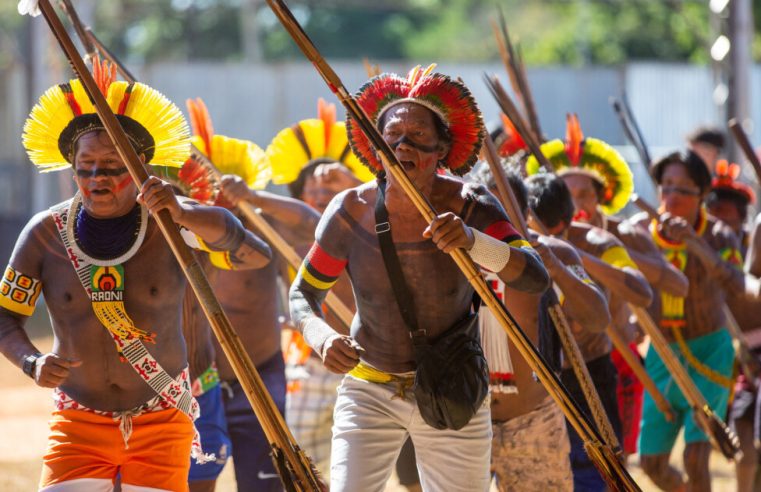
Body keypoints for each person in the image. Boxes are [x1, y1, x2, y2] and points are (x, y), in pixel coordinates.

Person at [0, 67, 271, 491]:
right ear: (72, 171)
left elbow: (255, 254)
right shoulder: (45, 234)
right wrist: (31, 362)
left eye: (111, 166)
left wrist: (185, 211)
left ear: (140, 166)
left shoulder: (171, 226)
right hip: (77, 420)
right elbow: (4, 317)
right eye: (85, 167)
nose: (97, 180)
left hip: (162, 418)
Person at [289, 65, 549, 492]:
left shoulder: (470, 206)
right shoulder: (351, 211)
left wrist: (472, 241)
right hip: (369, 385)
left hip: (453, 385)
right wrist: (321, 336)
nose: (402, 147)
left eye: (418, 138)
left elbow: (534, 276)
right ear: (376, 147)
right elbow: (303, 295)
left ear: (443, 147)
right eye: (392, 137)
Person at [178, 98, 319, 492]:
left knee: (265, 486)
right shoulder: (180, 231)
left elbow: (312, 226)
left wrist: (254, 200)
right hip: (196, 383)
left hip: (260, 374)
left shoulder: (263, 226)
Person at [528, 114, 688, 458]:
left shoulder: (615, 237)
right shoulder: (540, 236)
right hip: (553, 369)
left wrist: (579, 258)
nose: (578, 204)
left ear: (602, 196)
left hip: (610, 361)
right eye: (569, 195)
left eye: (585, 194)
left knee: (612, 465)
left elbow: (666, 286)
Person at [473, 161, 610, 491]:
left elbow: (597, 318)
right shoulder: (456, 250)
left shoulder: (549, 252)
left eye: (500, 213)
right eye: (480, 212)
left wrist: (556, 269)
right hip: (467, 419)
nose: (489, 224)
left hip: (534, 419)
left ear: (521, 214)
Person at [525, 171, 653, 491]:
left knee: (598, 477)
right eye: (574, 193)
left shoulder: (598, 241)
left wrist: (572, 258)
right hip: (537, 381)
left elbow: (641, 292)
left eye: (586, 193)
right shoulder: (515, 239)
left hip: (591, 377)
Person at [265, 98, 373, 481]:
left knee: (363, 472)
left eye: (331, 192)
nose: (321, 199)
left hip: (369, 359)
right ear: (299, 194)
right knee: (303, 469)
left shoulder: (369, 224)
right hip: (310, 360)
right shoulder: (277, 230)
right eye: (313, 191)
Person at [633, 151, 745, 492]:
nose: (671, 196)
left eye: (682, 188)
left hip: (710, 352)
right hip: (662, 355)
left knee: (696, 458)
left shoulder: (720, 234)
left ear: (701, 194)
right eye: (666, 186)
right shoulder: (639, 233)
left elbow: (737, 286)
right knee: (651, 463)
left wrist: (694, 243)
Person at [705, 160, 761, 492]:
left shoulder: (748, 250)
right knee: (743, 441)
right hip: (733, 360)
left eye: (723, 209)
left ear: (740, 215)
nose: (716, 215)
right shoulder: (701, 248)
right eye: (710, 207)